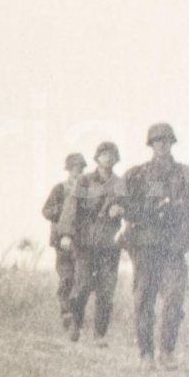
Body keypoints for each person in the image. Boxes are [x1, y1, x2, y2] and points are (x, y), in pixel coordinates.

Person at [121, 124, 189, 370]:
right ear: (150, 144)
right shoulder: (136, 175)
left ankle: (167, 351)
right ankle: (146, 353)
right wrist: (145, 211)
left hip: (174, 246)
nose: (162, 145)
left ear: (172, 144)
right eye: (158, 141)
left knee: (175, 297)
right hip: (146, 245)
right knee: (144, 299)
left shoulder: (184, 174)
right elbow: (121, 204)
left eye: (167, 141)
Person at [63, 143, 127, 346]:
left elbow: (130, 204)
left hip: (109, 243)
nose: (108, 158)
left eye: (112, 155)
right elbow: (71, 206)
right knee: (82, 286)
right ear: (97, 158)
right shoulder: (85, 181)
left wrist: (120, 208)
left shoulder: (120, 183)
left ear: (116, 159)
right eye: (104, 155)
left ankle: (100, 334)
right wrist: (66, 234)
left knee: (106, 290)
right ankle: (76, 323)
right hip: (86, 242)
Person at [43, 154, 88, 338]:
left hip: (81, 241)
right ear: (68, 170)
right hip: (61, 241)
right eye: (75, 168)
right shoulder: (59, 189)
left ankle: (75, 320)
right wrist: (63, 213)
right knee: (66, 277)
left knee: (80, 280)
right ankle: (65, 312)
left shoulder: (86, 189)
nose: (78, 171)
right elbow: (45, 210)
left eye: (81, 168)